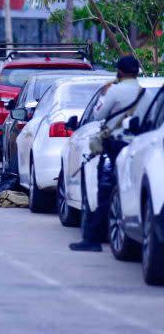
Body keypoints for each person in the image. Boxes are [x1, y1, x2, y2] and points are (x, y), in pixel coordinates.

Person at [69, 55, 141, 252]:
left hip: (114, 146)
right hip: (135, 149)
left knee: (105, 192)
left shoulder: (114, 90)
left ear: (120, 71)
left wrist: (105, 92)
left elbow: (99, 114)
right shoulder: (144, 93)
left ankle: (93, 240)